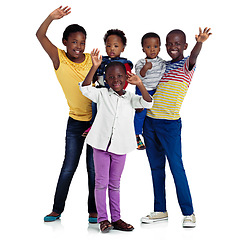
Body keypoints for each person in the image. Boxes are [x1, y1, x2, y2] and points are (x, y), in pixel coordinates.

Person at [141, 27, 212, 228]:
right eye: (170, 44)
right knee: (156, 167)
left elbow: (195, 56)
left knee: (176, 166)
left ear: (185, 46)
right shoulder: (161, 65)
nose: (173, 47)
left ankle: (188, 212)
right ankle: (160, 210)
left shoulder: (186, 65)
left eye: (178, 44)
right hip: (149, 121)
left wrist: (200, 42)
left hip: (170, 124)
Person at [79, 49, 153, 233]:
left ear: (127, 78)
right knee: (101, 183)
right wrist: (94, 67)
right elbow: (85, 88)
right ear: (106, 80)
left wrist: (140, 84)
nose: (116, 80)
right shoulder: (102, 94)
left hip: (121, 147)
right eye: (111, 77)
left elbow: (148, 103)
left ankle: (116, 218)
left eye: (120, 76)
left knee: (115, 184)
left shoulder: (131, 98)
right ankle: (103, 219)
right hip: (100, 145)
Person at [36, 6, 97, 223]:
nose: (78, 47)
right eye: (74, 42)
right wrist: (51, 17)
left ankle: (94, 211)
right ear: (65, 42)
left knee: (93, 169)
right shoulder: (59, 58)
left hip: (96, 122)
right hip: (75, 123)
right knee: (69, 166)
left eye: (82, 43)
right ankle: (56, 209)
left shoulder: (92, 59)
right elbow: (40, 35)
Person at [82, 29, 133, 137]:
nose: (112, 49)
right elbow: (95, 76)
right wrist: (95, 71)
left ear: (122, 48)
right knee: (95, 104)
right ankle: (93, 125)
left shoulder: (124, 63)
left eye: (116, 46)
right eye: (108, 46)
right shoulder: (102, 60)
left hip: (114, 92)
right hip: (100, 89)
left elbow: (126, 80)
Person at [134, 32, 166, 150]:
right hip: (142, 91)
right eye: (148, 47)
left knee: (152, 115)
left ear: (159, 48)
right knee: (141, 113)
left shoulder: (162, 63)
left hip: (155, 92)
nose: (152, 50)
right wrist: (145, 68)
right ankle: (136, 135)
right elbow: (139, 76)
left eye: (155, 47)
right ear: (143, 49)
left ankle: (147, 134)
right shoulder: (141, 62)